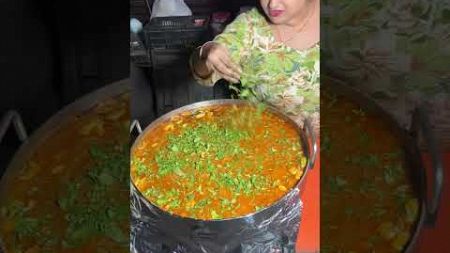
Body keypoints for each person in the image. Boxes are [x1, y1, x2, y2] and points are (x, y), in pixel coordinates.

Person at [190, 0, 320, 131]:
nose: (272, 4)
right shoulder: (250, 26)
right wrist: (207, 52)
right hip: (264, 137)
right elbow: (204, 73)